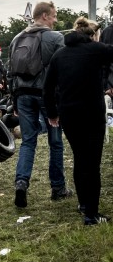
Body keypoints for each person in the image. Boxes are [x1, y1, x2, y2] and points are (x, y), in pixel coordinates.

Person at [44, 17, 113, 225]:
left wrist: (52, 113)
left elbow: (47, 88)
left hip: (69, 115)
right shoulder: (97, 50)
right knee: (92, 164)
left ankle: (84, 204)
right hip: (92, 114)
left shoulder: (59, 55)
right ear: (92, 34)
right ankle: (91, 215)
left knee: (80, 158)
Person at [8, 1, 72, 208]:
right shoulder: (55, 38)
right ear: (44, 16)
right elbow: (64, 69)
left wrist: (14, 99)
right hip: (47, 97)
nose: (55, 21)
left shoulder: (16, 39)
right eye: (53, 16)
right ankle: (58, 187)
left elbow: (10, 73)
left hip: (23, 96)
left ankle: (21, 182)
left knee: (28, 142)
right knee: (55, 142)